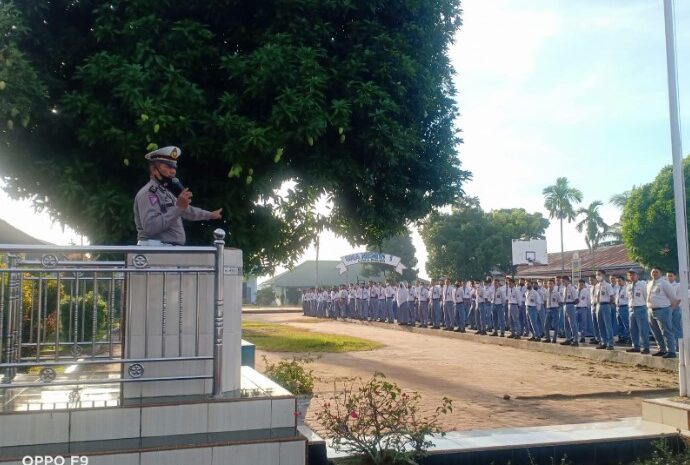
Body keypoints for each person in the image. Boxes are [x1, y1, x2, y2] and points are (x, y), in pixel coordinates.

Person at [134, 146, 222, 245]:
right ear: (154, 169)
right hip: (154, 248)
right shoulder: (148, 193)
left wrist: (210, 215)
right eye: (168, 167)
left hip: (166, 250)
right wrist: (178, 208)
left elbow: (187, 210)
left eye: (174, 167)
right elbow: (151, 227)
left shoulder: (166, 192)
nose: (173, 171)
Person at [647, 267, 680, 358]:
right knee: (656, 332)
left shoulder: (664, 283)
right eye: (653, 272)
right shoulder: (649, 283)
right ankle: (662, 349)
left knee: (666, 331)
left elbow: (673, 298)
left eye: (656, 272)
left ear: (660, 273)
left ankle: (671, 351)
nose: (654, 273)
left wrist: (670, 310)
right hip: (651, 310)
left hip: (663, 310)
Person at [625, 270, 650, 354]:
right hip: (631, 308)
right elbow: (628, 298)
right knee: (633, 329)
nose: (631, 276)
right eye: (630, 275)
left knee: (643, 329)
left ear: (637, 276)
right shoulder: (628, 286)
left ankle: (646, 347)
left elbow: (646, 296)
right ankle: (635, 346)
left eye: (633, 275)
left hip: (641, 308)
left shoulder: (642, 284)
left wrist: (646, 307)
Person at [594, 270, 615, 350]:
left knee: (607, 325)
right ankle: (604, 342)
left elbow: (612, 297)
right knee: (600, 325)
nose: (597, 276)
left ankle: (610, 343)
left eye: (599, 274)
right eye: (596, 275)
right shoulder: (597, 286)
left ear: (603, 275)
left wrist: (608, 304)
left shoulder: (607, 285)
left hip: (606, 305)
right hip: (598, 305)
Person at [560, 276, 579, 347]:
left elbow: (577, 300)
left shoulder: (572, 288)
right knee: (566, 324)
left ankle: (575, 340)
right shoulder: (564, 288)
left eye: (563, 281)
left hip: (570, 305)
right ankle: (568, 338)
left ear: (567, 281)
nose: (562, 283)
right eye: (562, 281)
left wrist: (570, 304)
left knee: (572, 324)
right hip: (565, 305)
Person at [543, 279, 561, 344]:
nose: (549, 285)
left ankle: (554, 339)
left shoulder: (557, 293)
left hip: (555, 309)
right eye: (549, 283)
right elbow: (544, 301)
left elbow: (559, 302)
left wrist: (557, 308)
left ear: (554, 284)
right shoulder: (545, 292)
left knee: (555, 325)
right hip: (548, 309)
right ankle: (548, 338)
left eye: (551, 283)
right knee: (546, 325)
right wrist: (546, 308)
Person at [666, 271, 682, 341]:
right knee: (668, 328)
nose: (669, 277)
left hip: (675, 308)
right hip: (666, 308)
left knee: (676, 327)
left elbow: (679, 299)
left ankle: (679, 346)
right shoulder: (665, 285)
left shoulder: (678, 285)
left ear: (675, 277)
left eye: (671, 276)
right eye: (668, 276)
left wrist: (672, 309)